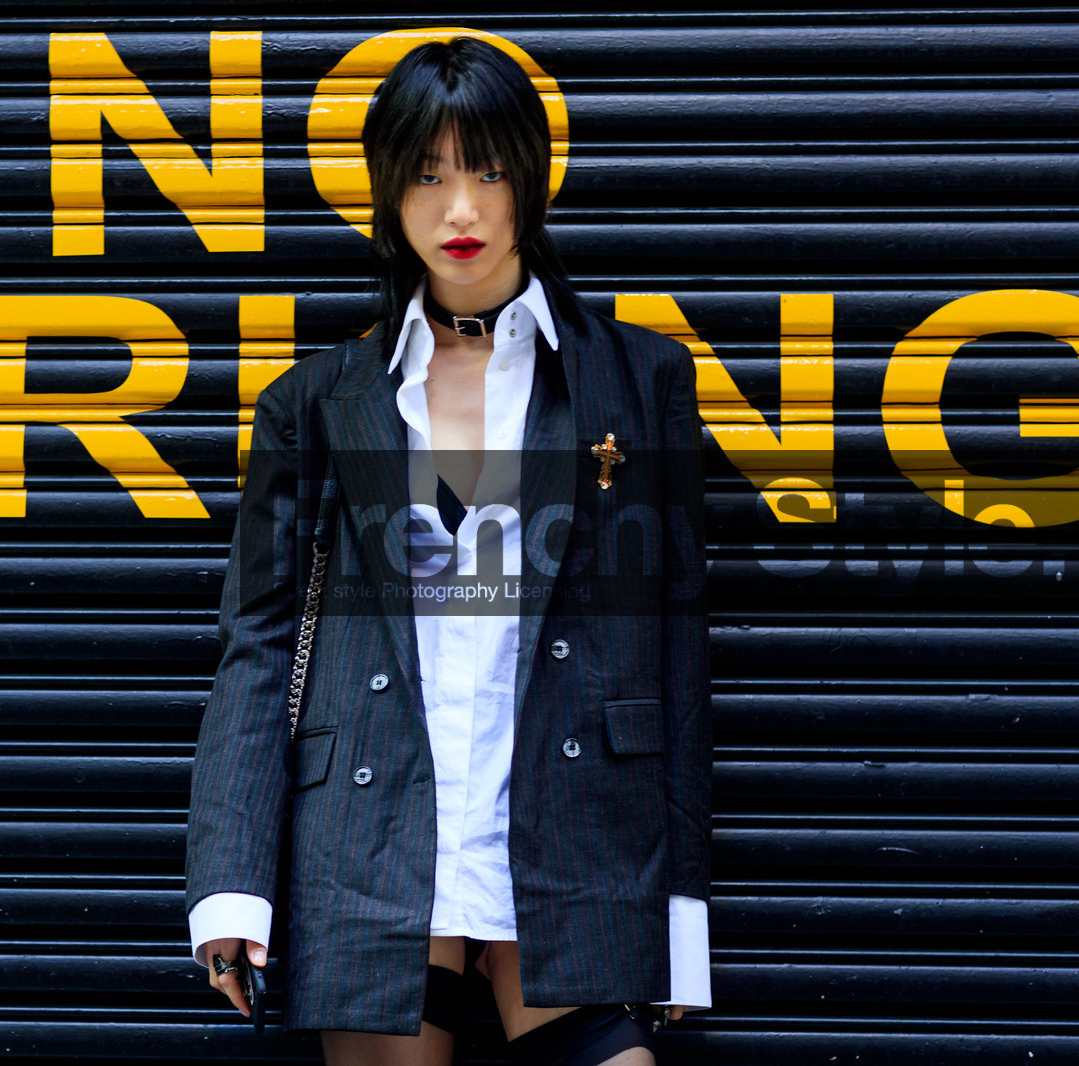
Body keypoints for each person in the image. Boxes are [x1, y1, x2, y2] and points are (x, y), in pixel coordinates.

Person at [185, 35, 712, 1066]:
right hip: (371, 839)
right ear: (386, 191)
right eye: (425, 174)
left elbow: (675, 652)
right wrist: (229, 877)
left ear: (531, 177)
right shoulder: (317, 403)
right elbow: (257, 641)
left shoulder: (636, 381)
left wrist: (680, 916)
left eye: (486, 168)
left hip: (572, 835)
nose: (458, 208)